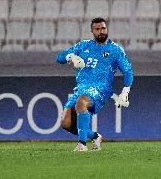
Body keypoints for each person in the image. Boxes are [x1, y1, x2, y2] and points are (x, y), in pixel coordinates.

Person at [56, 17, 133, 151]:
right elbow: (59, 57)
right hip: (80, 89)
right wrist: (71, 57)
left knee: (81, 102)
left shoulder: (115, 50)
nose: (101, 31)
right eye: (97, 29)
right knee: (66, 123)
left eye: (103, 28)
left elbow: (127, 71)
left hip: (101, 89)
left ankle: (82, 145)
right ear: (92, 31)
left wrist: (125, 92)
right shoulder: (83, 46)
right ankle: (95, 136)